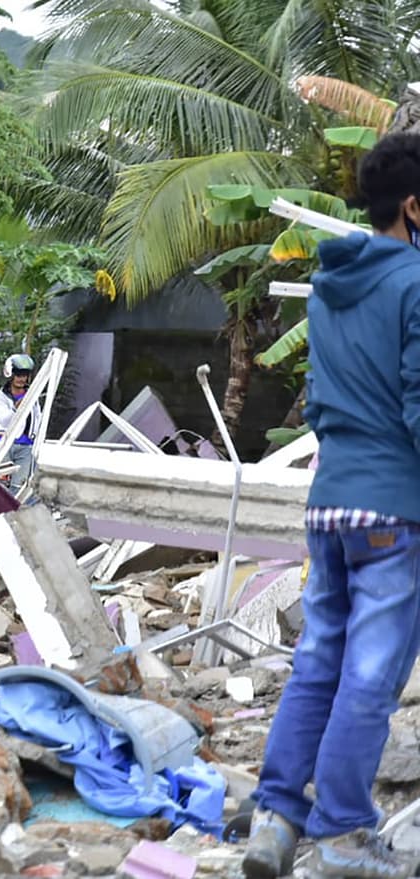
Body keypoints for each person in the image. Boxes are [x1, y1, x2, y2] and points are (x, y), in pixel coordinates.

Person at [243, 133, 420, 879]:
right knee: (372, 674)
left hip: (330, 503)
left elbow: (325, 399)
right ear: (414, 207)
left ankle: (275, 820)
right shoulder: (416, 283)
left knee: (319, 661)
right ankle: (344, 831)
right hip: (392, 507)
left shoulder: (330, 285)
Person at [0, 354, 40, 495]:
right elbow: (5, 420)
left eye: (24, 375)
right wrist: (16, 408)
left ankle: (12, 515)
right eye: (18, 374)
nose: (21, 379)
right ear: (10, 374)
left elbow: (37, 418)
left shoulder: (32, 395)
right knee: (0, 483)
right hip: (5, 444)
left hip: (26, 446)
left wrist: (36, 440)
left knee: (20, 486)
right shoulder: (1, 397)